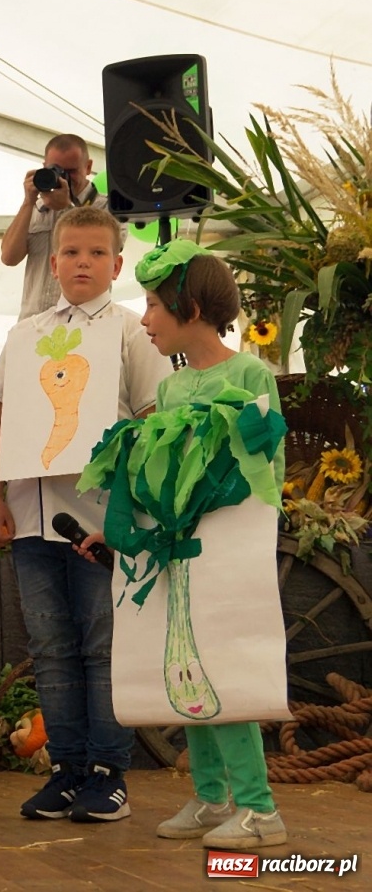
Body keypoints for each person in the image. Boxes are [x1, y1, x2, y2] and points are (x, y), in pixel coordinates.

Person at [0, 205, 169, 823]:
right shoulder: (25, 334)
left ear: (117, 264)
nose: (82, 262)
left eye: (96, 253)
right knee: (50, 648)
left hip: (102, 523)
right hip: (33, 520)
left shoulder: (132, 331)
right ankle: (64, 771)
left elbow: (153, 421)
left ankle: (108, 774)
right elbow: (0, 416)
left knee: (102, 646)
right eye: (70, 252)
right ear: (53, 263)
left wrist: (131, 513)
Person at [111, 242, 287, 849]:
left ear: (189, 308)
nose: (145, 319)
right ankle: (213, 797)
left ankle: (260, 809)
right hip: (182, 551)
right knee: (187, 666)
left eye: (154, 305)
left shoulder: (249, 375)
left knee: (226, 671)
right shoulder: (172, 388)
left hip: (228, 553)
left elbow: (265, 467)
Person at [0, 134, 107, 320]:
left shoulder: (106, 208)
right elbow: (9, 257)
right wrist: (28, 202)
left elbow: (96, 250)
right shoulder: (35, 207)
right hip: (34, 321)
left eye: (71, 171)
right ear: (44, 167)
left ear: (88, 167)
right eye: (56, 170)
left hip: (84, 322)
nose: (63, 177)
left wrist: (67, 208)